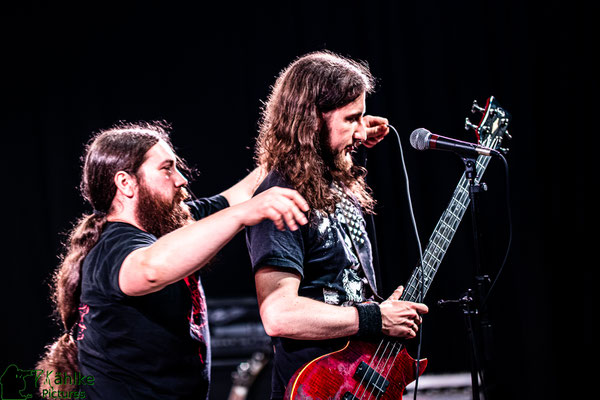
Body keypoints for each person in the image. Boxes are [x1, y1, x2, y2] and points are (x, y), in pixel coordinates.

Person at [36, 121, 309, 399]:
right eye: (167, 168)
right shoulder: (111, 246)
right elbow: (150, 268)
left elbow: (240, 195)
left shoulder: (173, 227)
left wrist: (299, 145)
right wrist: (244, 214)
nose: (181, 179)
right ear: (126, 183)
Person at [245, 50, 429, 399]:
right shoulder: (281, 196)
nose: (362, 131)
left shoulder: (337, 184)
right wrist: (374, 317)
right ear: (311, 119)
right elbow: (279, 314)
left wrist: (380, 310)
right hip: (316, 388)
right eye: (351, 118)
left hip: (358, 380)